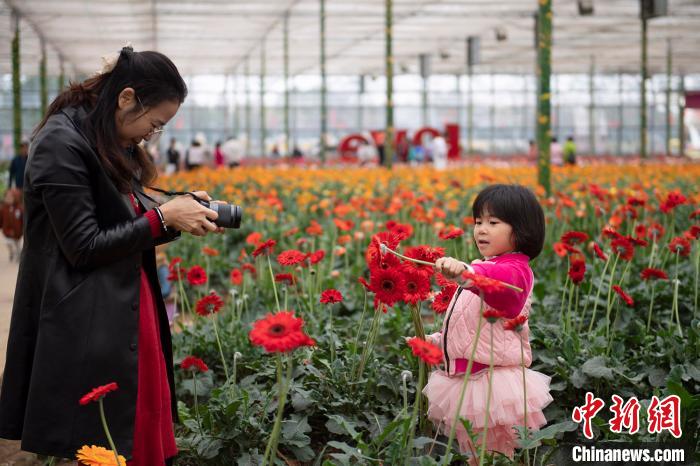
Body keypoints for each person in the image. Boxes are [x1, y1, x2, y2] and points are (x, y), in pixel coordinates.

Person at [0, 46, 224, 466]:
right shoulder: (59, 143)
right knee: (110, 437)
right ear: (126, 98)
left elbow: (119, 219)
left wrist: (176, 213)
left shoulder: (102, 136)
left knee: (129, 430)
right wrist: (162, 218)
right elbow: (83, 246)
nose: (149, 136)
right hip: (85, 311)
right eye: (153, 124)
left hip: (119, 300)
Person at [425, 184, 552, 462]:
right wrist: (436, 342)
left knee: (492, 456)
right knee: (476, 455)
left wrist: (468, 272)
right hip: (466, 379)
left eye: (493, 222)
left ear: (522, 230)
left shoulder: (517, 271)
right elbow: (469, 325)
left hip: (492, 385)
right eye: (478, 222)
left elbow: (503, 289)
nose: (481, 229)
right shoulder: (483, 266)